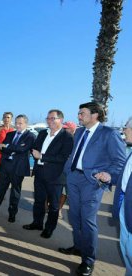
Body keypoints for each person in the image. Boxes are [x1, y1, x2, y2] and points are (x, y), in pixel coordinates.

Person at [58, 102, 126, 276]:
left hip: (92, 182)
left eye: (82, 113)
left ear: (95, 115)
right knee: (74, 216)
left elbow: (119, 161)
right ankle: (78, 247)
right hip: (73, 178)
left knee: (87, 220)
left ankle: (88, 261)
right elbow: (76, 153)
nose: (79, 116)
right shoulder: (80, 131)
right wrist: (67, 169)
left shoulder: (109, 134)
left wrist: (108, 174)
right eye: (79, 113)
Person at [23, 110, 73, 238]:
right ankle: (37, 223)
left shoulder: (66, 137)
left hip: (55, 176)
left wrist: (42, 156)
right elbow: (34, 147)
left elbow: (63, 157)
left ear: (60, 120)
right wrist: (36, 153)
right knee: (39, 201)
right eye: (48, 118)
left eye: (52, 118)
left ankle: (49, 229)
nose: (49, 120)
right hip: (39, 173)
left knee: (54, 206)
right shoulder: (43, 133)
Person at [0, 115, 35, 223]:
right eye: (17, 122)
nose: (18, 125)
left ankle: (12, 214)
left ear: (26, 124)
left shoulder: (31, 136)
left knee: (15, 192)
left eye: (20, 123)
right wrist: (8, 148)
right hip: (6, 165)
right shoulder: (10, 134)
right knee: (0, 189)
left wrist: (7, 147)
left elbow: (22, 149)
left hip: (18, 168)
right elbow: (1, 149)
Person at [112, 117, 132, 276]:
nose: (124, 130)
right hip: (124, 207)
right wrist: (109, 176)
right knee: (126, 251)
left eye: (126, 127)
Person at [58, 121, 77, 219]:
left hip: (69, 172)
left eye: (66, 128)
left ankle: (59, 209)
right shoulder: (60, 137)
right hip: (57, 169)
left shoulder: (77, 140)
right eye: (63, 128)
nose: (64, 130)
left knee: (64, 192)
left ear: (72, 129)